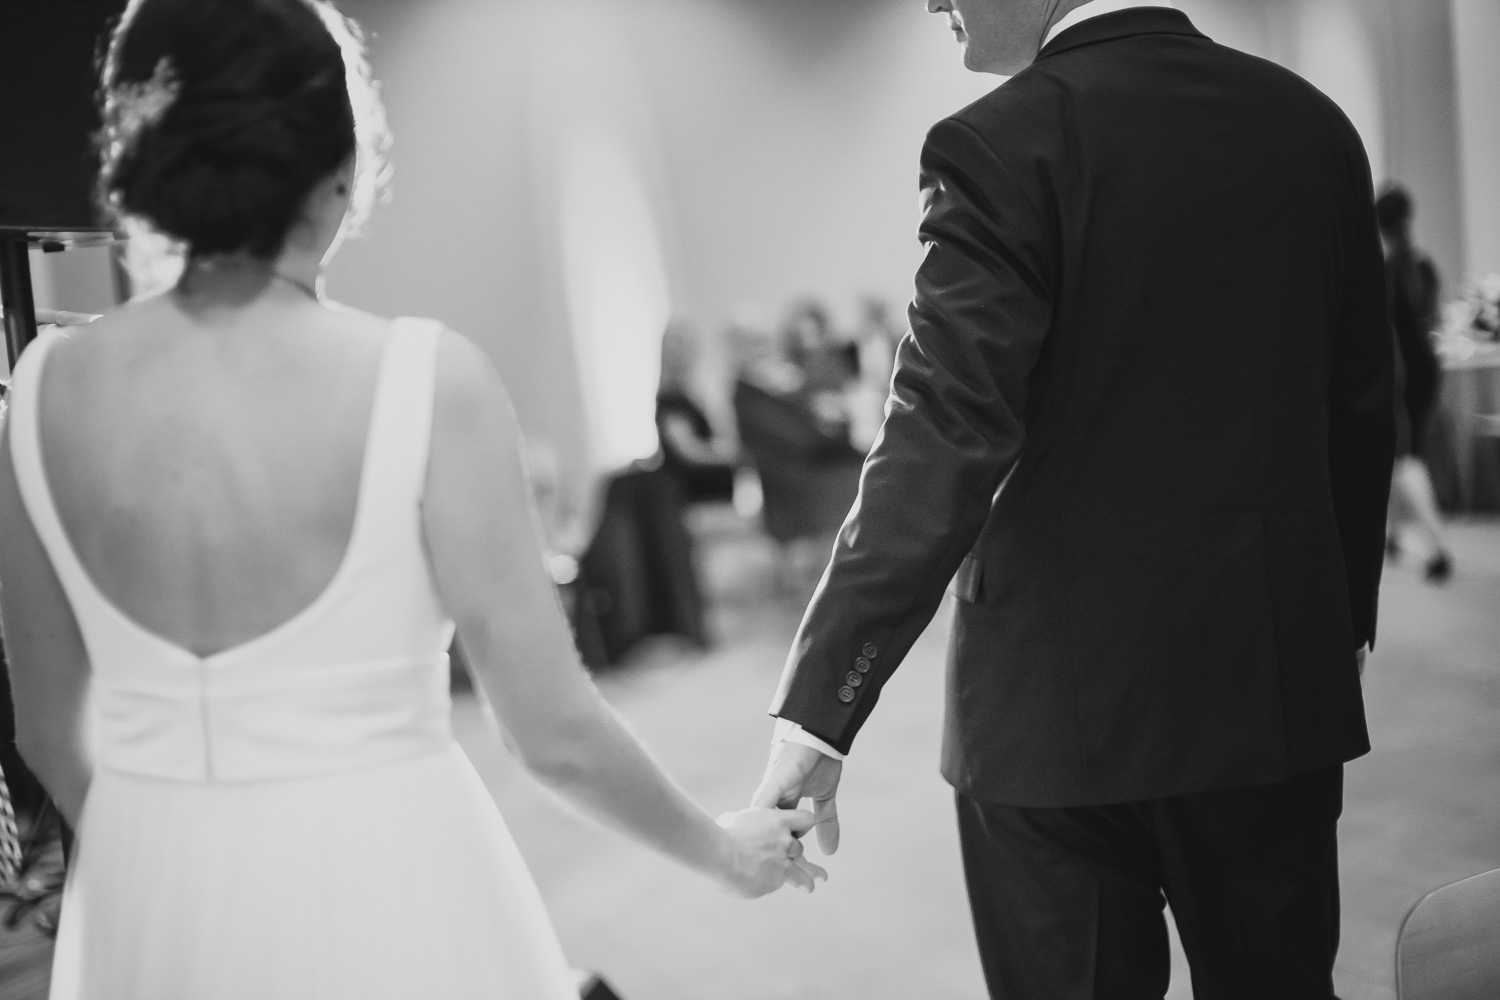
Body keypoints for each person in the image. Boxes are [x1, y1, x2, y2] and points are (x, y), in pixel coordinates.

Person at [0, 2, 822, 998]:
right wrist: (729, 855)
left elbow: (48, 731)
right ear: (344, 163)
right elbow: (550, 732)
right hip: (386, 883)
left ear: (141, 156)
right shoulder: (429, 383)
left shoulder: (41, 394)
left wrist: (172, 848)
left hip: (144, 900)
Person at [753, 1, 1393, 997]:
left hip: (1056, 723)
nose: (930, 1)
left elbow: (940, 434)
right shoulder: (1310, 126)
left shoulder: (998, 145)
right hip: (1270, 684)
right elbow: (1360, 405)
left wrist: (818, 713)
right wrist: (1335, 621)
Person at [1376, 184, 1453, 581]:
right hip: (1428, 368)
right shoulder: (1423, 266)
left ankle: (1438, 549)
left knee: (1404, 459)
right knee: (1397, 458)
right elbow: (1434, 322)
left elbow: (1383, 332)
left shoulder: (1387, 272)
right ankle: (1391, 537)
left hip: (1402, 375)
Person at [655, 320, 737, 504]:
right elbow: (688, 451)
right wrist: (730, 454)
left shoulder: (692, 395)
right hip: (696, 496)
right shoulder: (670, 401)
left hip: (717, 492)